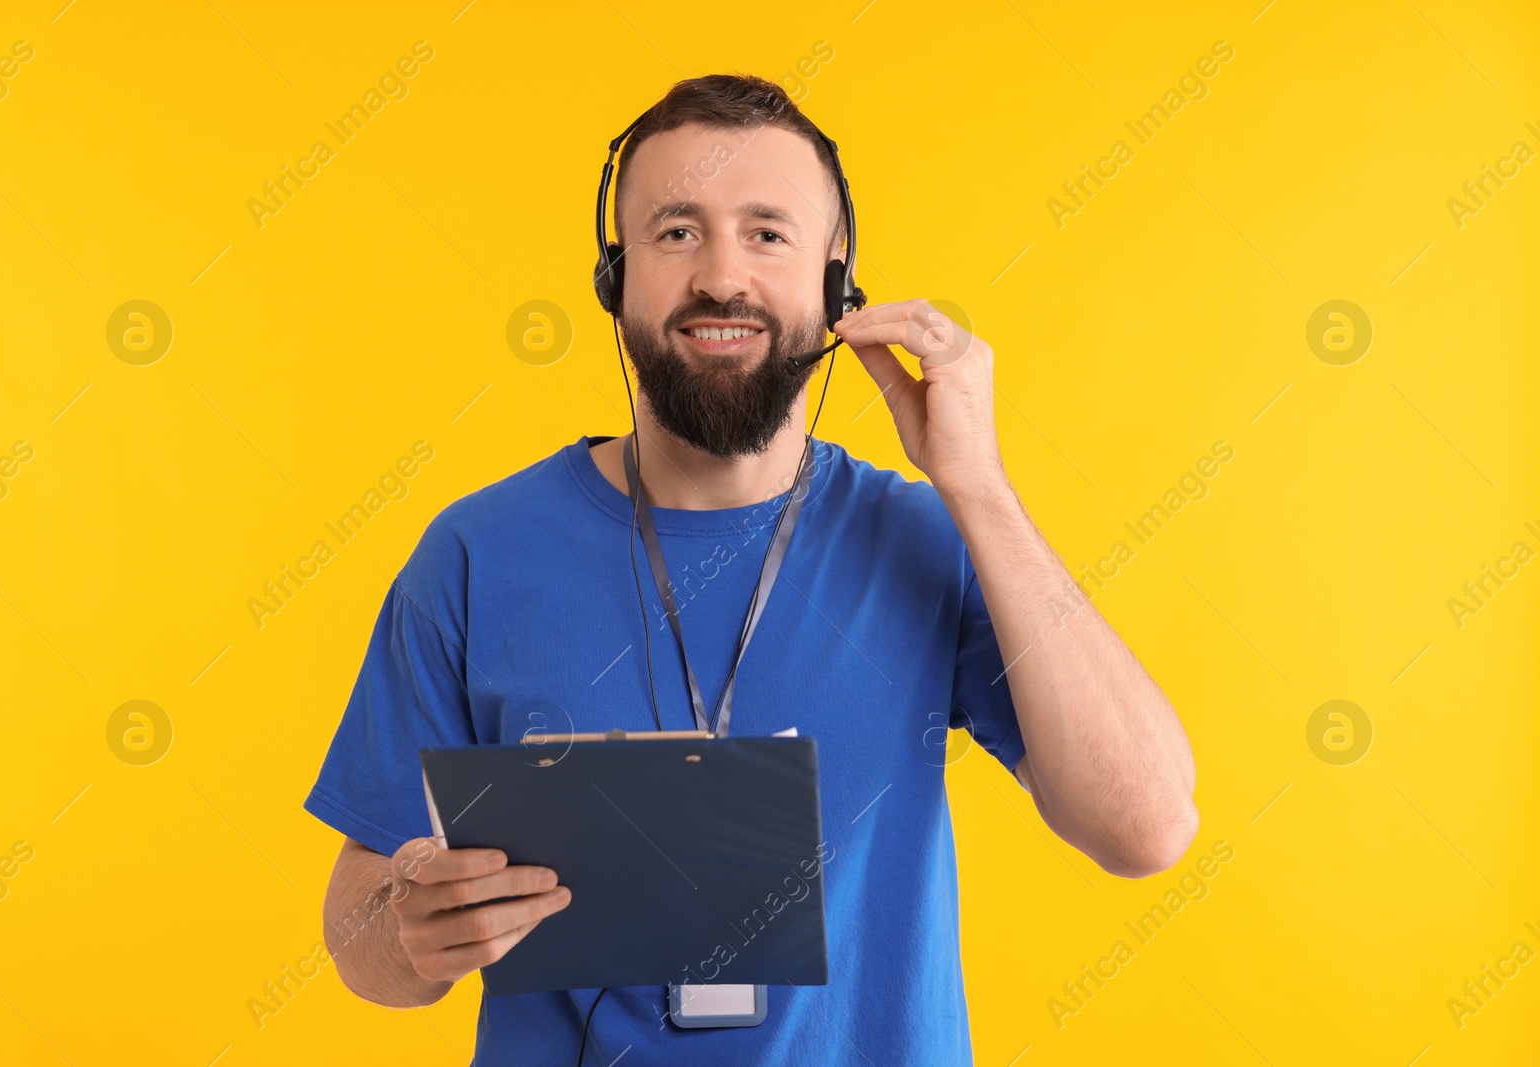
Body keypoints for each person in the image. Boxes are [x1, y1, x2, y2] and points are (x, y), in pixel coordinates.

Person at [305, 73, 1197, 1065]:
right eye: (676, 232)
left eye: (767, 233)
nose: (720, 278)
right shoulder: (476, 550)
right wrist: (411, 925)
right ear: (616, 276)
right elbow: (359, 937)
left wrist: (976, 482)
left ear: (835, 283)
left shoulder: (928, 536)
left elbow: (1147, 827)